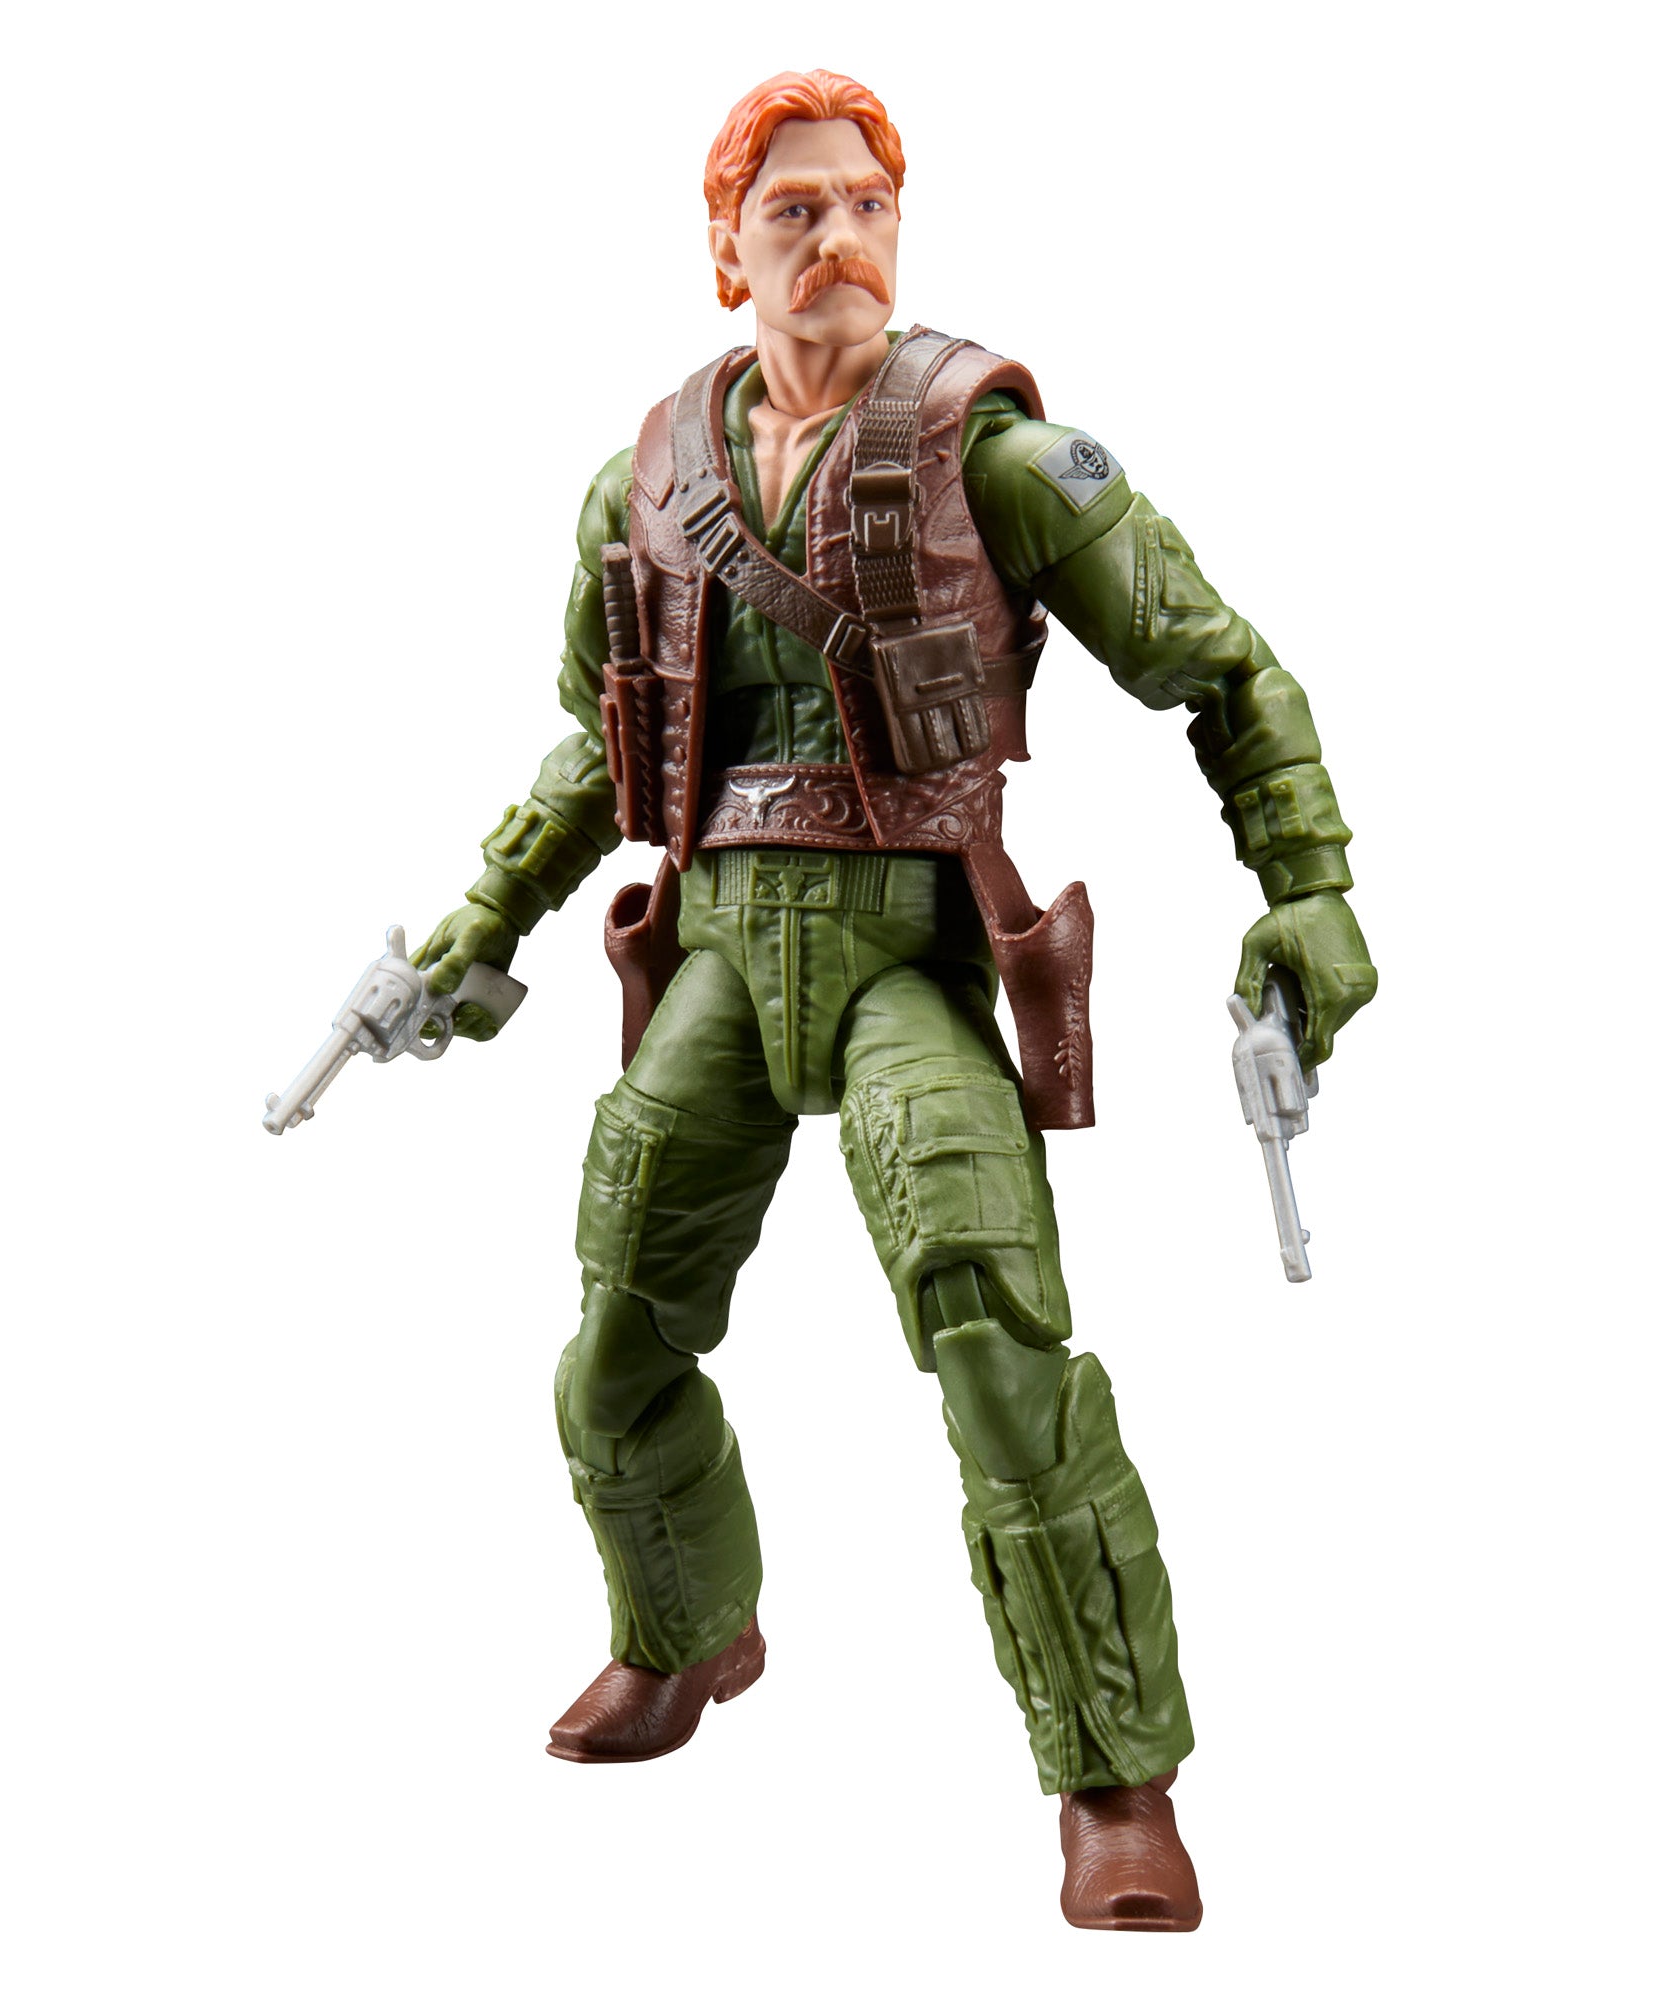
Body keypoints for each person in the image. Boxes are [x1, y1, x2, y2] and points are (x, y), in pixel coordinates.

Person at [409, 69, 1377, 1932]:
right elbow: (606, 744)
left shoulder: (993, 457)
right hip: (716, 945)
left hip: (908, 948)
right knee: (613, 1347)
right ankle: (686, 1629)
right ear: (727, 249)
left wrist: (1310, 890)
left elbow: (1224, 670)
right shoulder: (648, 483)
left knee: (998, 1347)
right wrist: (482, 918)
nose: (840, 239)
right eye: (796, 210)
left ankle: (1114, 1779)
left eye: (868, 203)